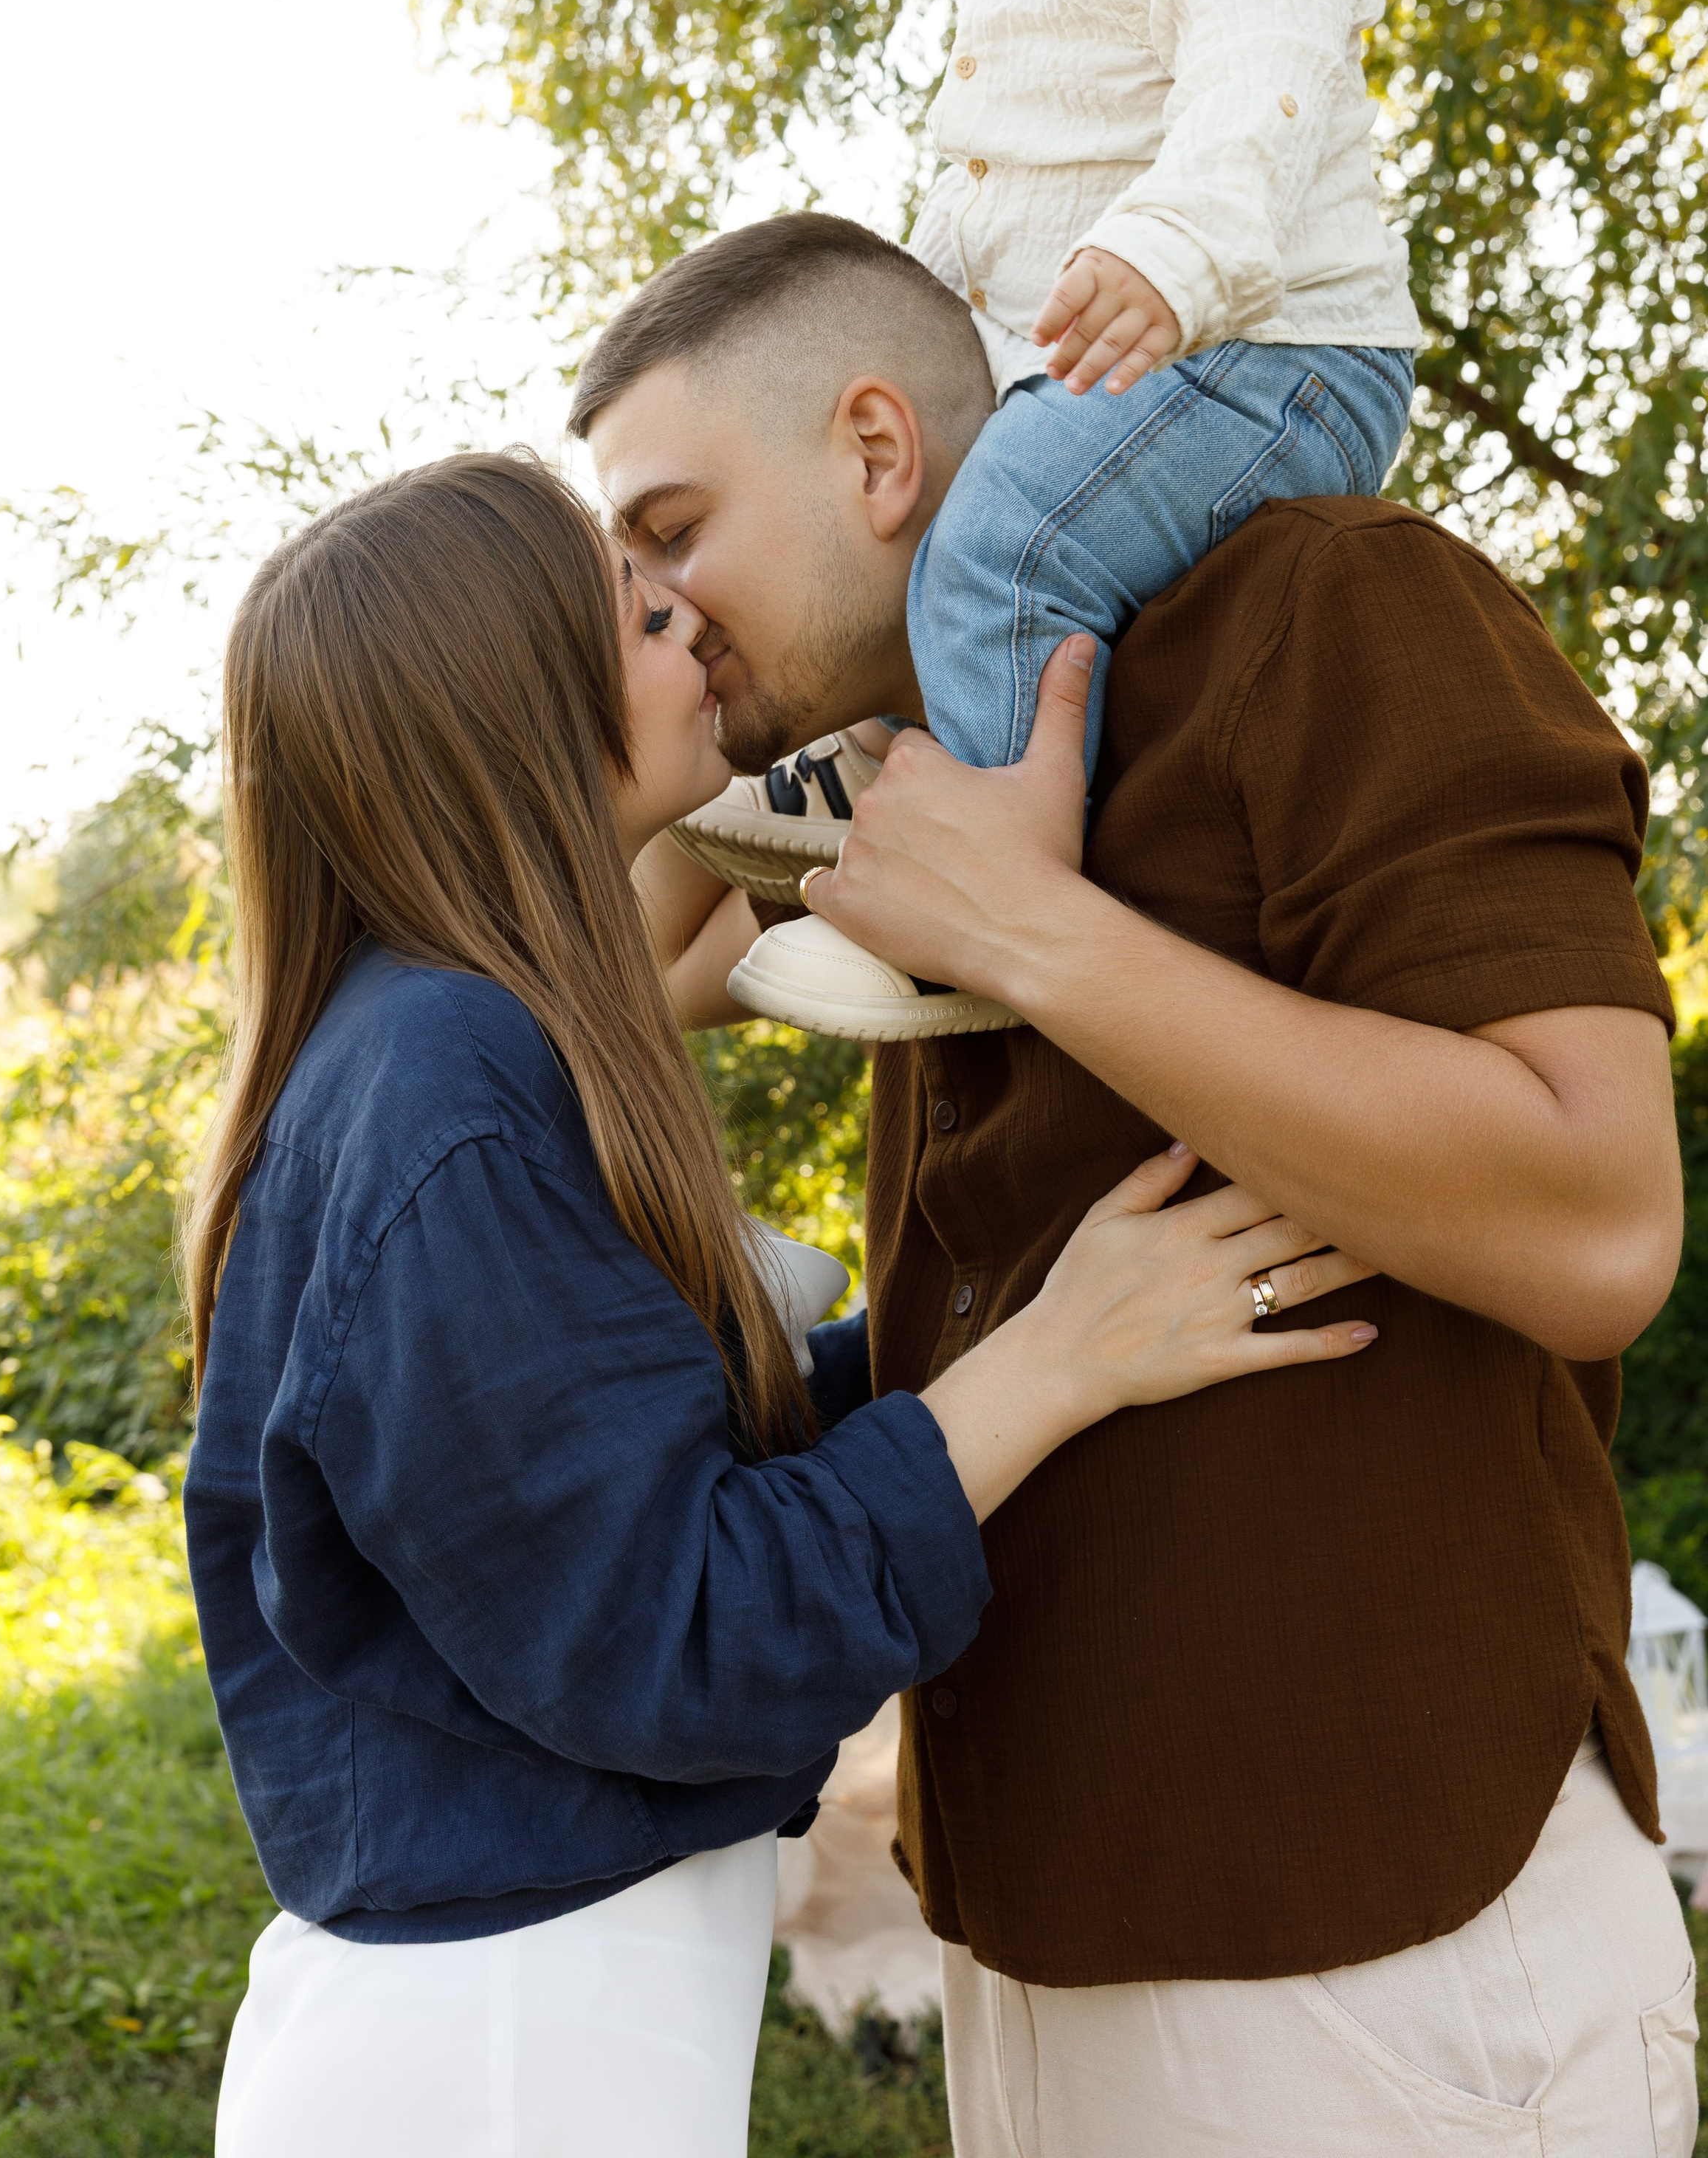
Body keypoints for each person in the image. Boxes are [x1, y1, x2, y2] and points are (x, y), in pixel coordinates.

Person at [574, 216, 1698, 2155]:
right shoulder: (888, 782)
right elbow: (566, 1004)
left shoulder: (1337, 607)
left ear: (873, 449)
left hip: (1376, 1946)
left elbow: (1604, 1220)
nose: (654, 607)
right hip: (1030, 1935)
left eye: (674, 535)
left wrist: (1041, 939)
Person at [180, 450, 1373, 2158]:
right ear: (520, 705)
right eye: (644, 615)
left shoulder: (430, 1045)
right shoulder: (444, 1083)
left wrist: (1002, 1313)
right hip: (501, 2065)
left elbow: (626, 1481)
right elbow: (675, 1632)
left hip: (512, 2024)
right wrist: (1049, 1363)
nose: (697, 642)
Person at [710, 0, 1421, 1038]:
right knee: (905, 506)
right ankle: (884, 776)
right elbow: (986, 195)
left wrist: (1170, 251)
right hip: (1135, 361)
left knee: (1007, 542)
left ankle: (992, 901)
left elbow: (1259, 102)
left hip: (1271, 356)